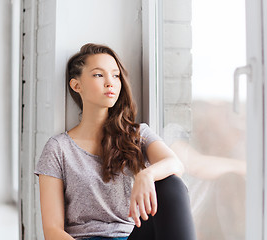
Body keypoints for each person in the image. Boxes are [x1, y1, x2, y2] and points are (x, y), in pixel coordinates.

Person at [34, 43, 196, 240]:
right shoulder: (58, 148)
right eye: (98, 75)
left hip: (131, 236)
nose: (110, 82)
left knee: (171, 185)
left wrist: (147, 175)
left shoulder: (137, 134)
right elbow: (52, 231)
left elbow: (175, 164)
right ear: (77, 85)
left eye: (115, 75)